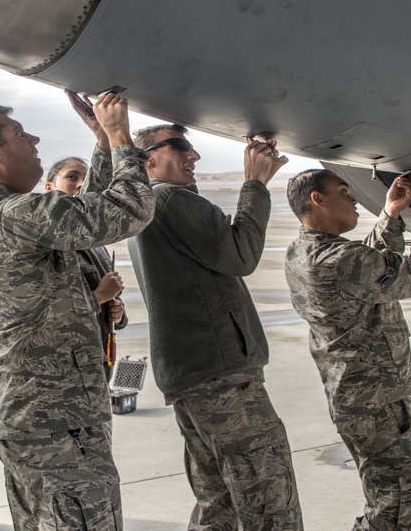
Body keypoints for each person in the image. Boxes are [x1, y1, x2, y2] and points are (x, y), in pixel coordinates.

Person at [0, 92, 153, 529]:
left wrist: (100, 142)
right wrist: (119, 136)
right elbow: (127, 211)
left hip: (36, 415)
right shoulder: (15, 214)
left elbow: (83, 217)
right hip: (55, 420)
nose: (35, 138)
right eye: (20, 134)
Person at [127, 126, 304, 530]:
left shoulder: (142, 205)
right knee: (269, 500)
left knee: (218, 503)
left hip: (190, 375)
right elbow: (240, 254)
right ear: (147, 160)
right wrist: (254, 184)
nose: (194, 156)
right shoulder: (169, 199)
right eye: (180, 147)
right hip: (221, 376)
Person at [283, 169, 411, 530]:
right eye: (345, 192)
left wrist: (391, 214)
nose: (355, 198)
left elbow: (369, 267)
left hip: (356, 398)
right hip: (378, 403)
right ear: (318, 199)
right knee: (397, 507)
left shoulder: (303, 251)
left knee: (385, 499)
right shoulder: (340, 259)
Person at [43, 153, 128, 381]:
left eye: (85, 178)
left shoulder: (94, 243)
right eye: (72, 177)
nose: (80, 184)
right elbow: (43, 314)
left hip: (97, 366)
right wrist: (99, 296)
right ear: (49, 187)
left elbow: (110, 307)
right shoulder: (47, 243)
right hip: (66, 373)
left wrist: (118, 313)